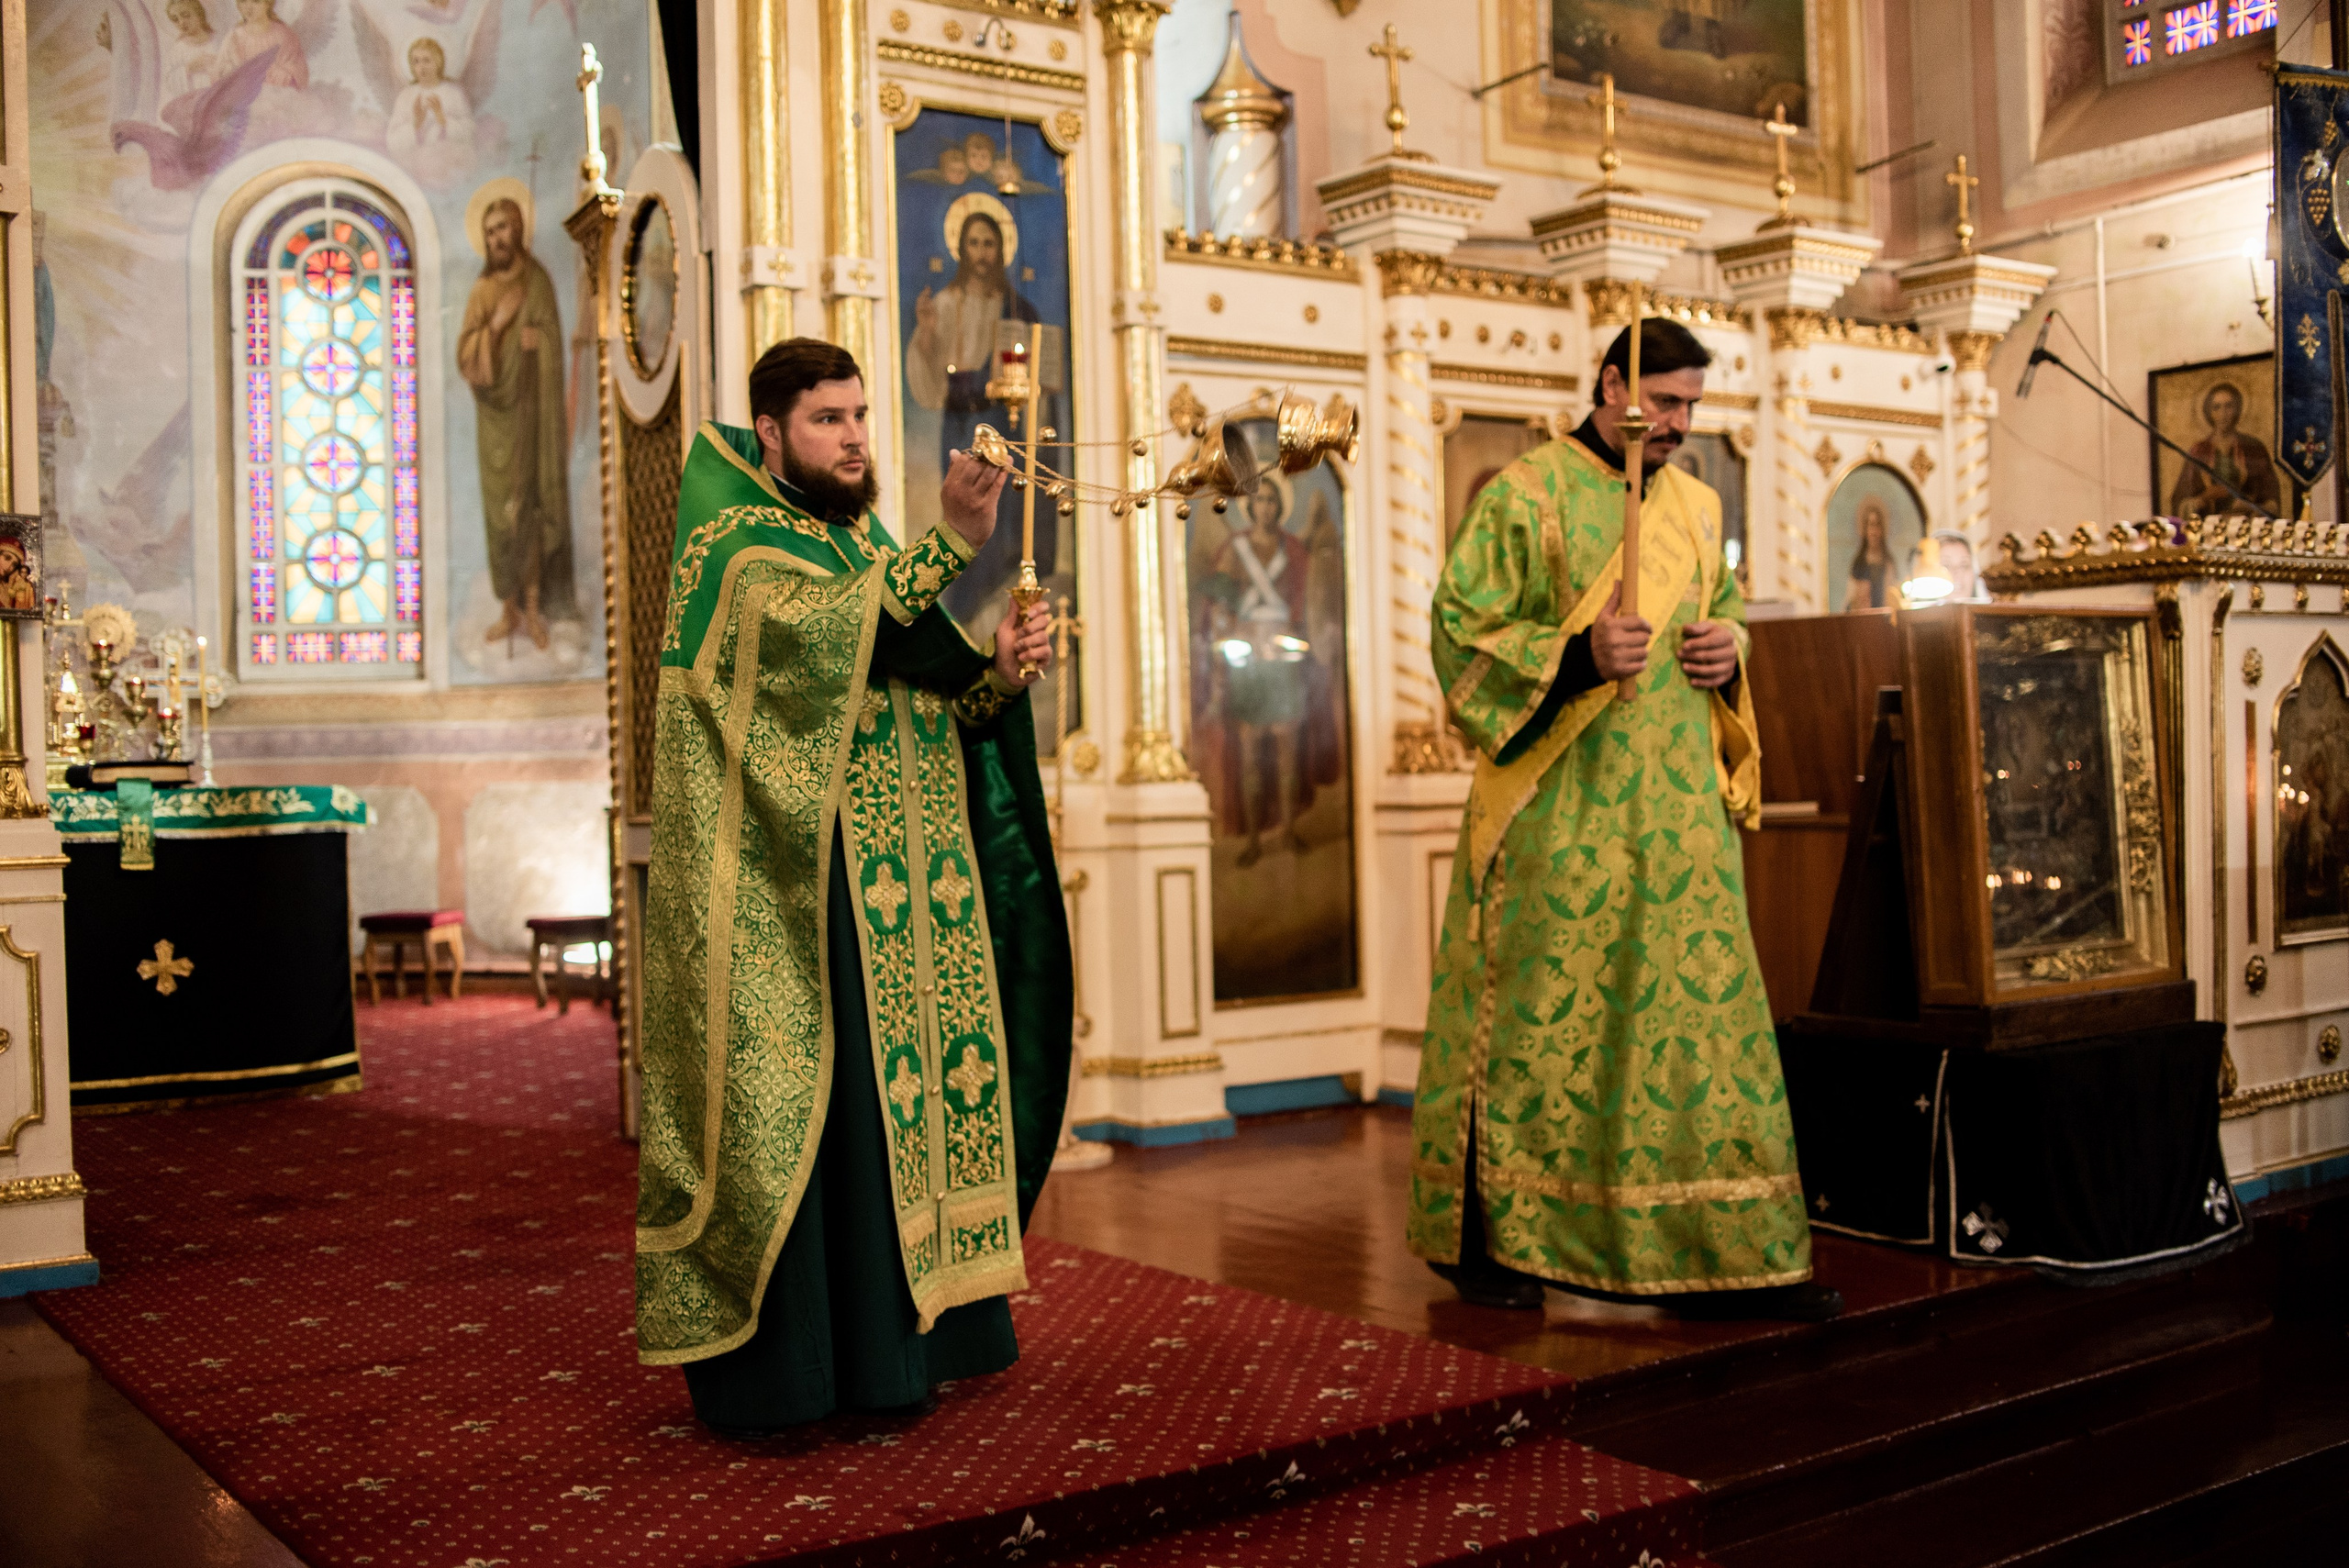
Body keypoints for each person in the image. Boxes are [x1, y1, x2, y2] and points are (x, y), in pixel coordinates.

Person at [636, 338, 1072, 1436]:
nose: (855, 437)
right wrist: (954, 541)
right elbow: (835, 642)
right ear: (773, 431)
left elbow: (927, 688)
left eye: (862, 414)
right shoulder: (736, 542)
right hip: (801, 897)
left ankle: (902, 1354)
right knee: (830, 1130)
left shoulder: (859, 540)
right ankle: (804, 1372)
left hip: (907, 893)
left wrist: (999, 674)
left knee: (900, 1120)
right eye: (829, 419)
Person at [1408, 317, 1836, 1322]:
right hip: (1561, 811)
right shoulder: (1528, 494)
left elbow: (1723, 609)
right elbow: (1458, 630)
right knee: (1532, 1032)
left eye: (1694, 405)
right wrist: (1573, 657)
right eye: (1669, 402)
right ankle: (1495, 1241)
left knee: (1698, 1028)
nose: (1683, 424)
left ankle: (1717, 1246)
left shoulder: (1692, 504)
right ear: (1612, 386)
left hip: (1678, 817)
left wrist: (1728, 649)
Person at [906, 206, 1057, 617]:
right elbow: (929, 373)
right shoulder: (943, 302)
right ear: (960, 248)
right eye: (973, 243)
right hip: (958, 423)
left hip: (998, 419)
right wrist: (927, 334)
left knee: (999, 511)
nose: (981, 253)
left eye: (989, 244)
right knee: (961, 507)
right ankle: (962, 602)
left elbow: (1040, 375)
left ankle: (990, 595)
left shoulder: (1017, 309)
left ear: (1002, 250)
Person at [456, 196, 573, 650]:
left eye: (504, 227)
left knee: (533, 505)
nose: (497, 238)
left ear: (519, 228)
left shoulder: (537, 281)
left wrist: (537, 341)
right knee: (501, 512)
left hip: (533, 416)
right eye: (490, 231)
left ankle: (534, 605)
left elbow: (553, 344)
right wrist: (498, 327)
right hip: (496, 421)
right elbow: (467, 356)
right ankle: (508, 609)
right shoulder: (483, 291)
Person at [2170, 382, 2280, 518]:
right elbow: (2179, 502)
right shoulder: (2198, 451)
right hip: (2208, 529)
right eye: (2216, 407)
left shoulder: (2254, 447)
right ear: (2209, 412)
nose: (2223, 414)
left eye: (2229, 406)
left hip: (2247, 527)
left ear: (2237, 409)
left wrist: (2252, 506)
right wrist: (2204, 498)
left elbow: (2272, 499)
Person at [1844, 496, 1894, 611]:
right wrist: (1856, 601)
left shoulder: (1888, 562)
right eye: (1871, 525)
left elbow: (1893, 597)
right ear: (1865, 529)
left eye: (1877, 525)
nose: (1874, 532)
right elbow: (1849, 601)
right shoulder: (1859, 564)